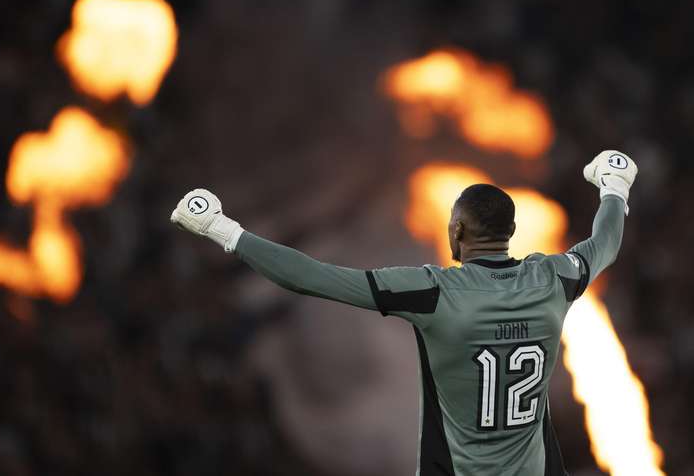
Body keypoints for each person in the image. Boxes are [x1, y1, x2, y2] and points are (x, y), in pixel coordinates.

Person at [170, 150, 637, 476]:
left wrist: (225, 231)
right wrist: (614, 186)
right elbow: (606, 244)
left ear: (456, 231)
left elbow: (311, 277)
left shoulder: (434, 291)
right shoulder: (554, 279)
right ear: (513, 231)